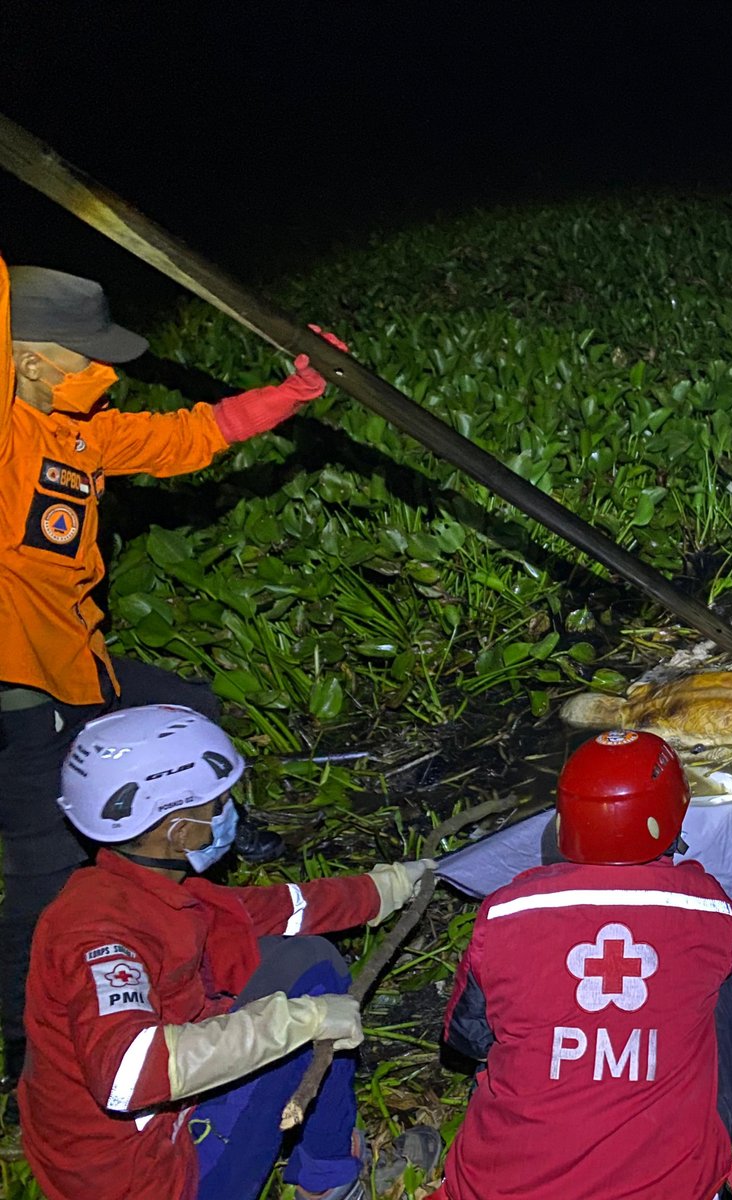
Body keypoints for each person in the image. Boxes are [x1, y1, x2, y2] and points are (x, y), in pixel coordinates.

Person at [0, 258, 340, 1089]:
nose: (109, 372)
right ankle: (22, 1038)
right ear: (29, 358)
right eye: (89, 357)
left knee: (185, 708)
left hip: (76, 657)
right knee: (46, 863)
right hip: (14, 687)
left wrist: (291, 394)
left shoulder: (81, 432)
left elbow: (191, 434)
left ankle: (209, 829)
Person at [18, 703, 438, 1200]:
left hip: (146, 1135)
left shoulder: (135, 888)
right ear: (177, 830)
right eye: (216, 803)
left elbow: (269, 911)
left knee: (311, 963)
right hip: (152, 1175)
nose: (227, 811)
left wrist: (383, 888)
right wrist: (297, 1022)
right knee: (305, 1016)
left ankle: (325, 1166)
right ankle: (331, 1183)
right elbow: (128, 1073)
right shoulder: (98, 936)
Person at [440, 729, 732, 1200]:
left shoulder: (505, 912)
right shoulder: (707, 911)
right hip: (670, 1187)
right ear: (672, 816)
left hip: (500, 1186)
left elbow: (467, 1037)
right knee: (717, 997)